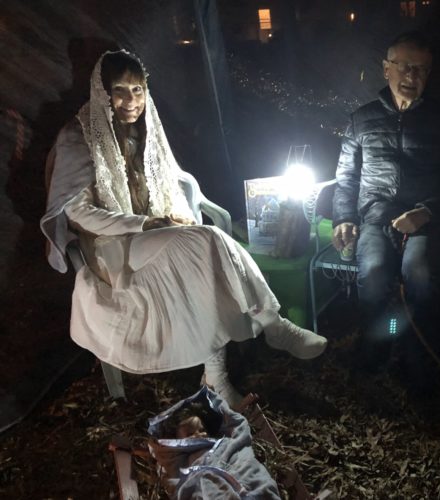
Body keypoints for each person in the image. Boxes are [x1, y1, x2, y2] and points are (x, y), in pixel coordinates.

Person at [40, 50, 327, 408]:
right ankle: (274, 325)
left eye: (138, 90)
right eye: (120, 91)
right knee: (206, 240)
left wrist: (171, 218)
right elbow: (79, 213)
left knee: (204, 253)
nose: (131, 101)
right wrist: (144, 223)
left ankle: (220, 376)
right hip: (111, 248)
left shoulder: (145, 129)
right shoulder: (79, 136)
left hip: (152, 236)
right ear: (102, 92)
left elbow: (174, 181)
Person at [332, 31, 440, 371]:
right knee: (374, 272)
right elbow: (346, 178)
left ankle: (417, 352)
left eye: (420, 69)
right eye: (404, 66)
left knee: (418, 272)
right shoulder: (361, 119)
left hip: (424, 219)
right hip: (376, 217)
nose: (411, 76)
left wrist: (426, 212)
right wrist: (344, 218)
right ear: (386, 69)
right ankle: (377, 345)